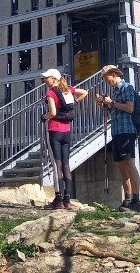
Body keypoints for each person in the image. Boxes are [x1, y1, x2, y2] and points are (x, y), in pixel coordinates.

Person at [98, 64, 140, 213]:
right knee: (121, 167)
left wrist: (111, 102)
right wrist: (106, 105)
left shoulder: (126, 87)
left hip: (127, 130)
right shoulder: (115, 92)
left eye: (106, 77)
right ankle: (128, 200)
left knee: (129, 164)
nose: (106, 80)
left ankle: (136, 201)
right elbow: (116, 111)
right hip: (117, 131)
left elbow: (129, 108)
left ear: (114, 74)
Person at [41, 67, 88, 210]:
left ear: (54, 79)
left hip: (54, 130)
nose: (45, 80)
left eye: (47, 78)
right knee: (66, 164)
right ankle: (67, 199)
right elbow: (85, 92)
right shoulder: (67, 89)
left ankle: (58, 199)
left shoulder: (50, 92)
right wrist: (75, 102)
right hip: (67, 131)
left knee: (57, 165)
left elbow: (53, 112)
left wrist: (44, 116)